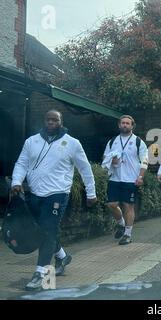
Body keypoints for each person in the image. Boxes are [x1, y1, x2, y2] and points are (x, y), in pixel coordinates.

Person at [11, 110, 97, 291]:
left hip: (58, 194)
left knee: (48, 230)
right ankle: (63, 256)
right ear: (44, 120)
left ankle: (40, 274)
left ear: (61, 121)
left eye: (54, 119)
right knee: (39, 230)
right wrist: (17, 181)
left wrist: (91, 193)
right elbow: (22, 163)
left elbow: (85, 169)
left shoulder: (72, 144)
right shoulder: (31, 141)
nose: (51, 122)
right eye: (48, 119)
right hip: (35, 193)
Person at [102, 115, 148, 245]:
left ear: (132, 126)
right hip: (115, 178)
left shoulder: (138, 142)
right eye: (123, 123)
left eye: (128, 123)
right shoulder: (112, 141)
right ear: (119, 125)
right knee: (112, 205)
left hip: (131, 179)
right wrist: (111, 160)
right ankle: (121, 224)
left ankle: (127, 234)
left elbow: (145, 161)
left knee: (128, 206)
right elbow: (105, 156)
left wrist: (140, 176)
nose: (125, 125)